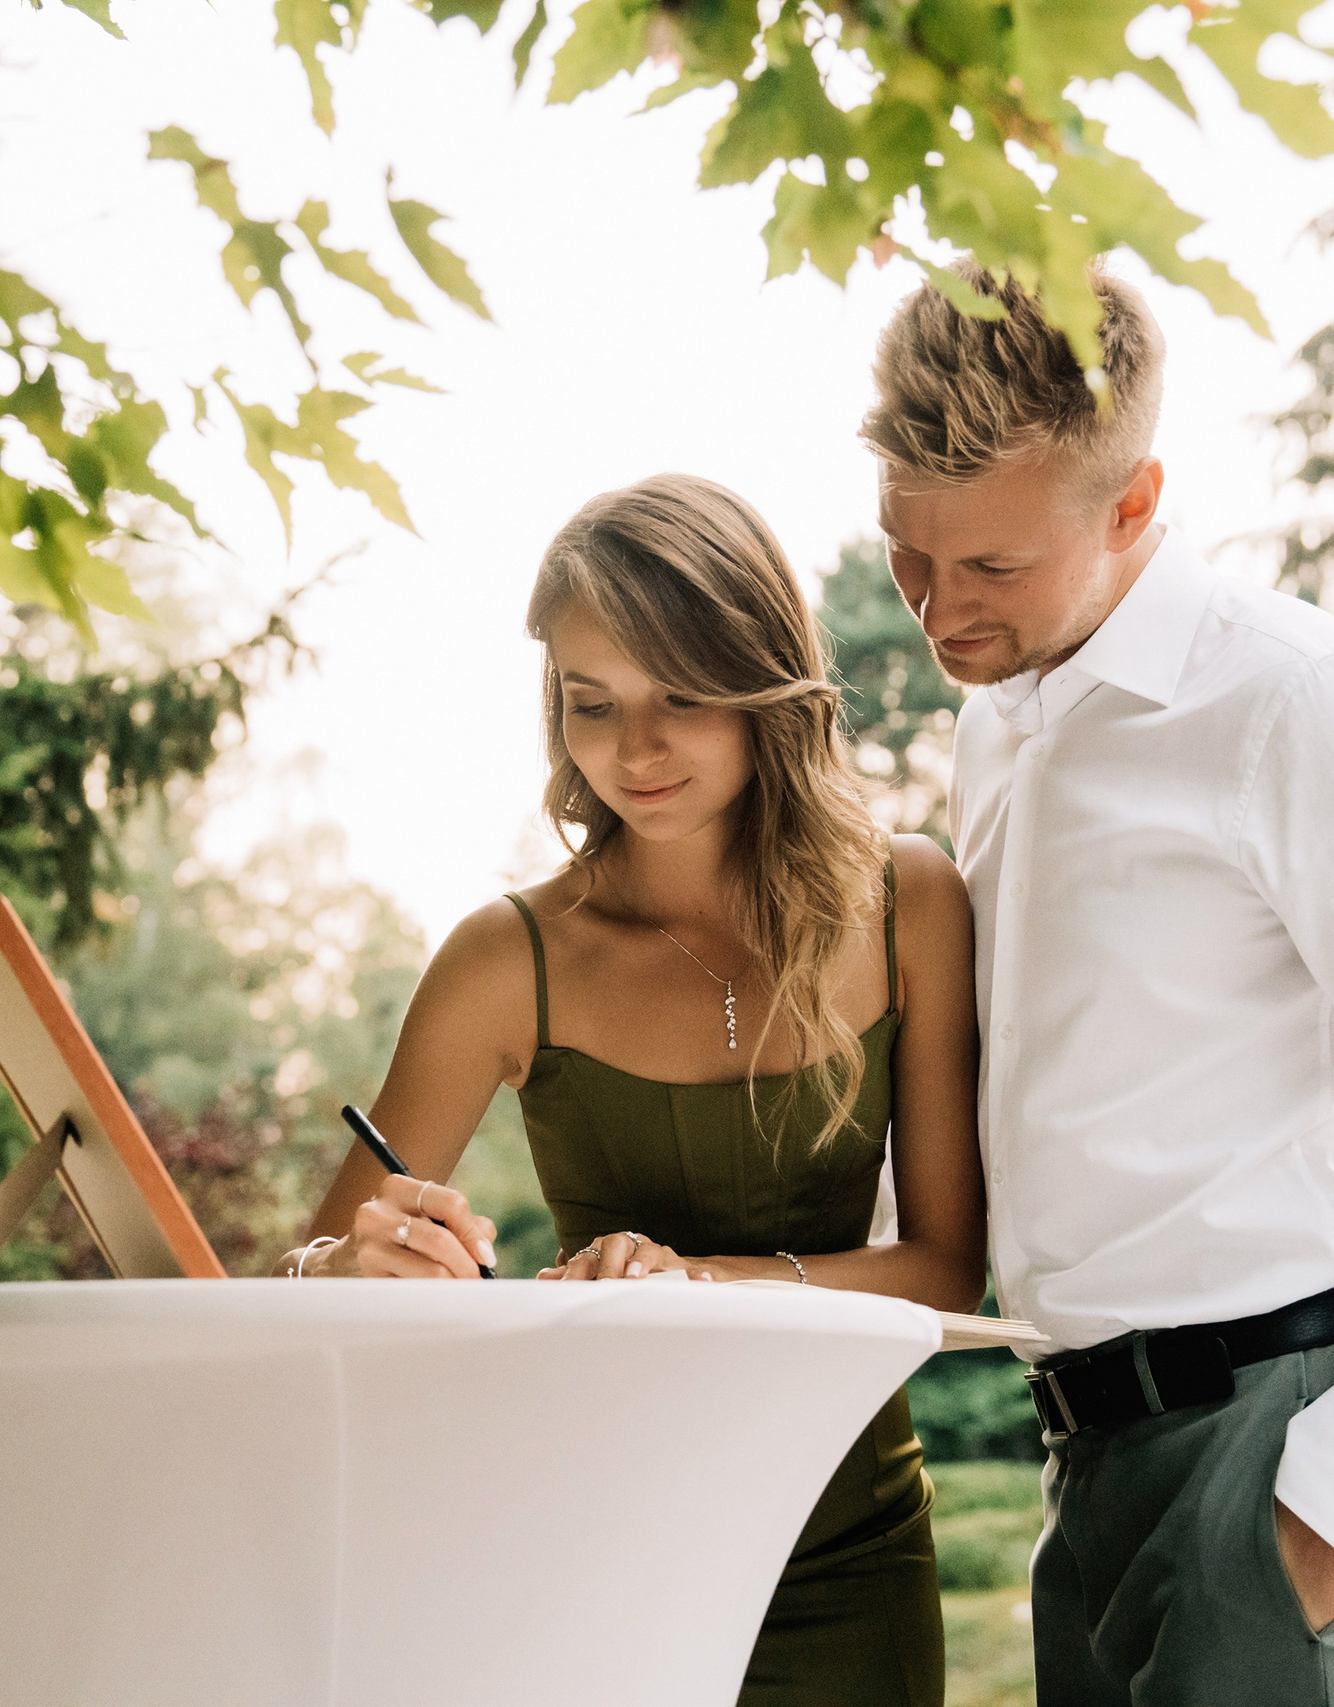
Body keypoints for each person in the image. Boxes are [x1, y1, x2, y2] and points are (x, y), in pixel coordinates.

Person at [864, 259, 1334, 1704]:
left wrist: (1333, 1500)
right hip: (1092, 1474)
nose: (935, 610)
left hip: (1291, 1457)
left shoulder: (1299, 703)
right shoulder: (1001, 730)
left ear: (1135, 505)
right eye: (910, 554)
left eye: (990, 567)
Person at [277, 472, 987, 1707]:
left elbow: (944, 1267)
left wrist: (696, 1283)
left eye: (681, 699)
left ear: (764, 682)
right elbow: (298, 1281)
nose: (634, 751)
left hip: (853, 1540)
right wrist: (351, 1266)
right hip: (596, 1542)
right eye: (591, 704)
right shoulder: (507, 961)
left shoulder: (907, 901)